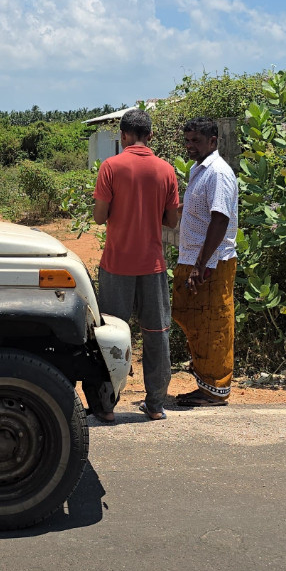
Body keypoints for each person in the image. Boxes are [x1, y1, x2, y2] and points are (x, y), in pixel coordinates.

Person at [89, 108, 181, 423]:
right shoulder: (166, 170)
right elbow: (172, 219)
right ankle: (155, 405)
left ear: (123, 135)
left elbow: (100, 217)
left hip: (116, 264)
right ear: (150, 136)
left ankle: (107, 406)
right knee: (157, 332)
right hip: (153, 265)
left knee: (110, 334)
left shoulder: (110, 167)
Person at [172, 117, 239, 407]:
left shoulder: (219, 172)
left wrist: (200, 265)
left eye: (195, 140)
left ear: (213, 141)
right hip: (194, 261)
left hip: (210, 264)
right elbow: (202, 209)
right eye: (187, 140)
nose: (189, 146)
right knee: (194, 320)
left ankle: (214, 389)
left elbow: (220, 218)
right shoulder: (199, 170)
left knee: (213, 325)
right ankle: (205, 379)